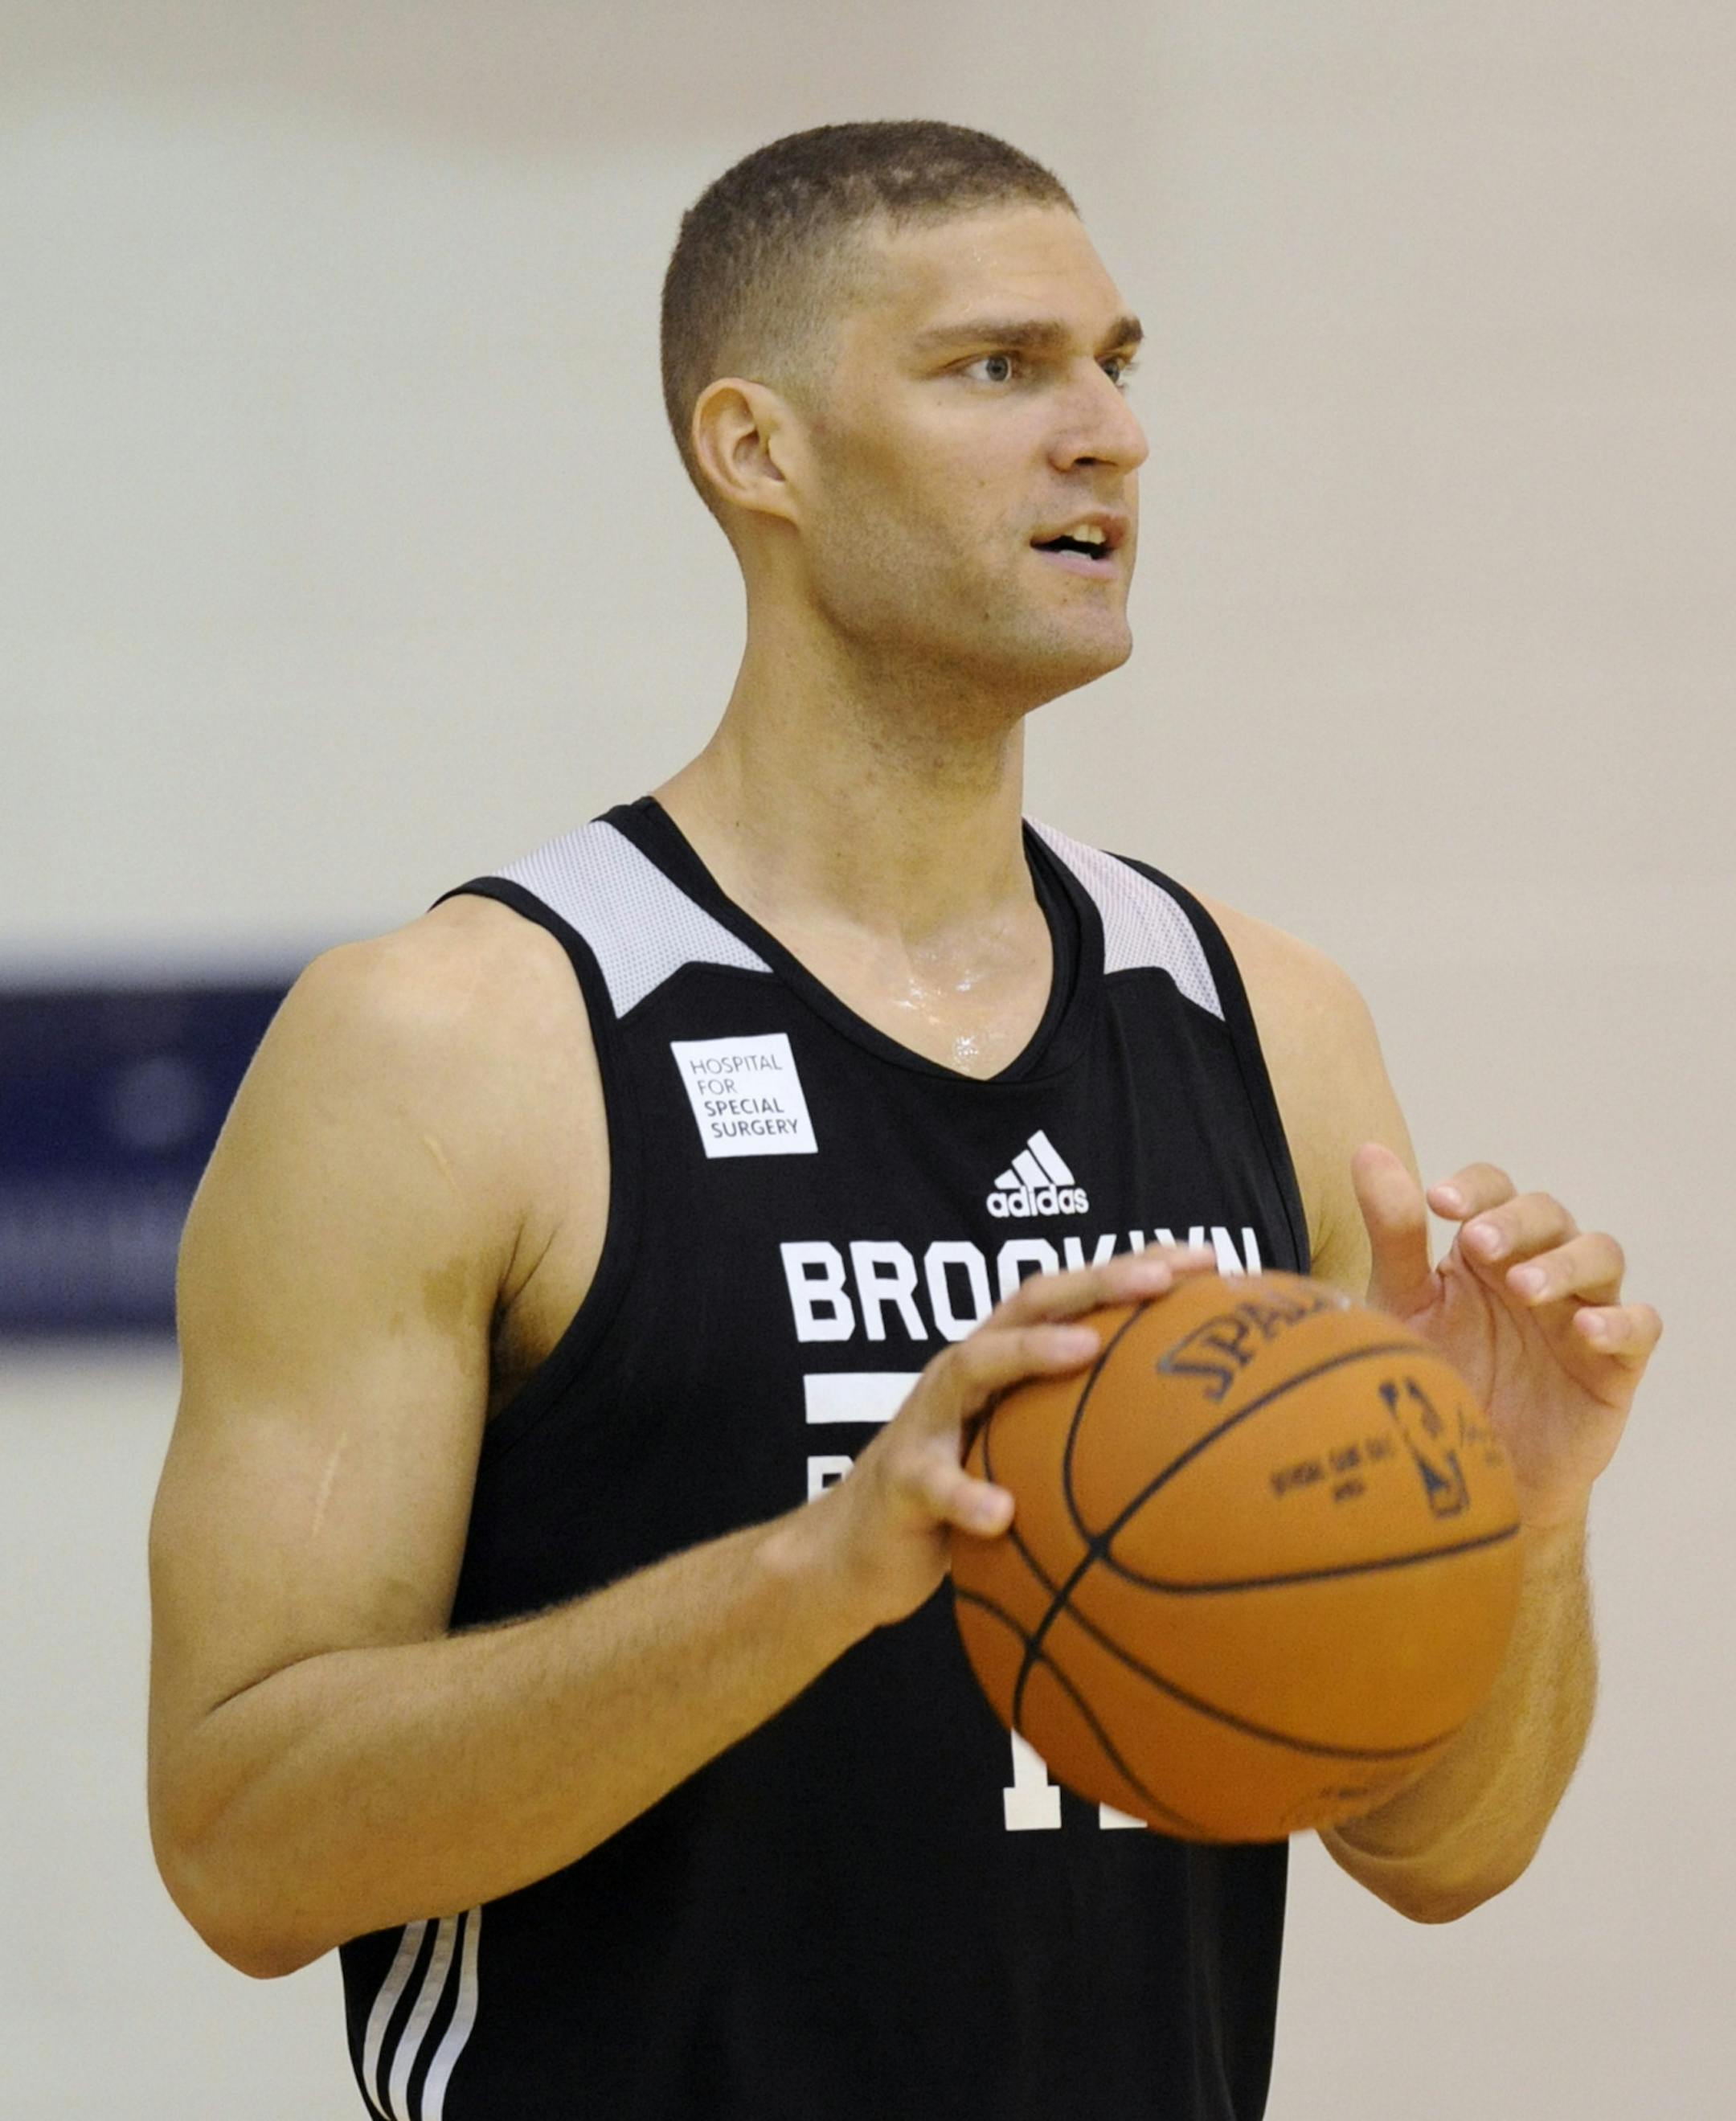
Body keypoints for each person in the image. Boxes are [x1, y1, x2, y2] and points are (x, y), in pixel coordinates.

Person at [147, 121, 1660, 2121]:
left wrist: (1517, 1520)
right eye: (1001, 369)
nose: (1108, 433)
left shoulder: (1262, 1018)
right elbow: (245, 1845)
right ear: (756, 452)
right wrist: (822, 1572)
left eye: (1121, 362)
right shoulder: (455, 1040)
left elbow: (1443, 1851)